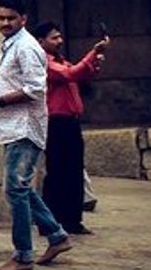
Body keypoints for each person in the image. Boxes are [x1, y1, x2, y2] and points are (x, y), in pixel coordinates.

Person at [0, 0, 72, 270]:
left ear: (23, 19)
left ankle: (23, 255)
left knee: (15, 189)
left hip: (26, 127)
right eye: (1, 18)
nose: (5, 23)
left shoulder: (26, 47)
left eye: (11, 18)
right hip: (14, 126)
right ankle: (56, 236)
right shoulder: (12, 44)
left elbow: (35, 89)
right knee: (19, 187)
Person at [33, 21, 109, 234]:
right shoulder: (44, 63)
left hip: (70, 122)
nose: (59, 41)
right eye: (54, 38)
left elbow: (79, 75)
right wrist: (92, 54)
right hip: (55, 123)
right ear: (41, 41)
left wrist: (93, 62)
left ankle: (72, 221)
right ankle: (50, 223)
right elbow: (69, 74)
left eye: (59, 37)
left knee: (74, 172)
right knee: (57, 174)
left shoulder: (61, 61)